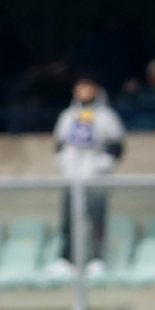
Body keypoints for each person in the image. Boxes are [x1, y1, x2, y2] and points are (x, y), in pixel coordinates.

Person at [52, 76, 124, 269]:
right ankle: (66, 259)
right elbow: (59, 144)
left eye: (87, 87)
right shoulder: (67, 116)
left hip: (96, 177)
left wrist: (101, 165)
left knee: (96, 219)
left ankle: (97, 259)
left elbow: (116, 145)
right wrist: (65, 163)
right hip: (72, 176)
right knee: (68, 219)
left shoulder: (106, 116)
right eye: (80, 87)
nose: (83, 91)